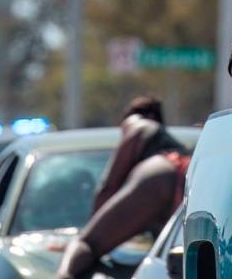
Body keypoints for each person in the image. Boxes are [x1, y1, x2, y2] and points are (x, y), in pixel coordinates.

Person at [54, 96, 189, 279]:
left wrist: (91, 234)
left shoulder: (136, 123)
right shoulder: (165, 135)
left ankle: (63, 276)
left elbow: (110, 183)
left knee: (86, 243)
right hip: (187, 177)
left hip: (159, 174)